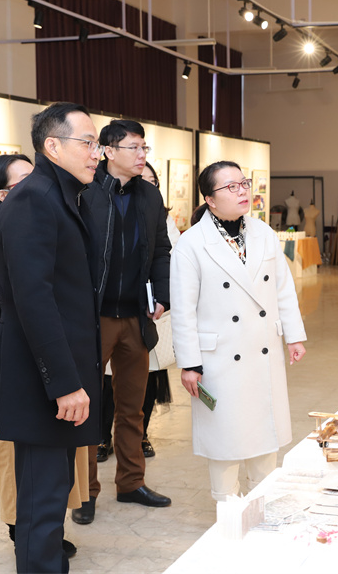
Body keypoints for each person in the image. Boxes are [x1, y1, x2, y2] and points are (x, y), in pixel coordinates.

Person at [0, 102, 103, 573]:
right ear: (52, 146)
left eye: (98, 144)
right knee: (40, 505)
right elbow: (33, 300)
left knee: (52, 499)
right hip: (42, 384)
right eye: (88, 142)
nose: (97, 153)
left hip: (57, 379)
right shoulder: (33, 199)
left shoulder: (64, 196)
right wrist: (64, 383)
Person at [0, 153, 86, 558]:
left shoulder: (51, 232)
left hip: (58, 362)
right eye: (23, 183)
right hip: (11, 366)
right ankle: (23, 529)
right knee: (16, 457)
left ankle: (48, 527)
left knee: (61, 457)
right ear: (2, 196)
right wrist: (36, 315)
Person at [171, 161, 307, 500]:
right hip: (218, 358)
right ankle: (227, 512)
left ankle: (263, 506)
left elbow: (283, 288)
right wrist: (189, 363)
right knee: (225, 443)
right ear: (210, 199)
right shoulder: (192, 243)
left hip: (263, 349)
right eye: (231, 187)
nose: (243, 191)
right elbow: (183, 310)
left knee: (265, 438)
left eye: (244, 183)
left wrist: (294, 335)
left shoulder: (264, 233)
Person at [72, 120, 172, 526]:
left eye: (144, 147)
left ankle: (131, 482)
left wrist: (162, 295)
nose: (142, 155)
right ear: (109, 151)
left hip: (135, 317)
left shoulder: (150, 195)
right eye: (134, 147)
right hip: (93, 318)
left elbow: (161, 250)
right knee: (87, 409)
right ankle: (85, 492)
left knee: (132, 409)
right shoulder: (85, 191)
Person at [139, 160, 180, 458]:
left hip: (155, 309)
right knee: (109, 378)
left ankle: (141, 434)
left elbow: (173, 258)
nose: (146, 184)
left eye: (151, 181)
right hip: (120, 308)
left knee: (150, 375)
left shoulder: (164, 220)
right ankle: (103, 436)